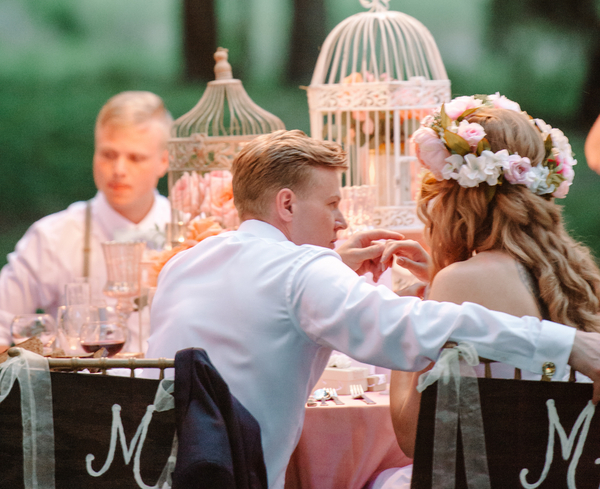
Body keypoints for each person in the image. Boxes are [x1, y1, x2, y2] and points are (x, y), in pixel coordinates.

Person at [146, 128, 600, 489]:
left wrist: (334, 267)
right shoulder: (304, 273)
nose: (342, 221)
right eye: (332, 204)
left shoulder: (185, 263)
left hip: (145, 468)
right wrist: (566, 343)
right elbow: (413, 329)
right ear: (286, 204)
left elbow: (261, 293)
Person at [369, 94, 600, 489]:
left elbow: (413, 439)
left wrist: (409, 311)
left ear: (454, 196)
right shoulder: (578, 275)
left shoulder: (458, 282)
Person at [0, 90, 172, 349]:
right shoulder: (52, 237)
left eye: (135, 158)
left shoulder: (191, 232)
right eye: (108, 154)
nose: (119, 170)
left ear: (164, 161)